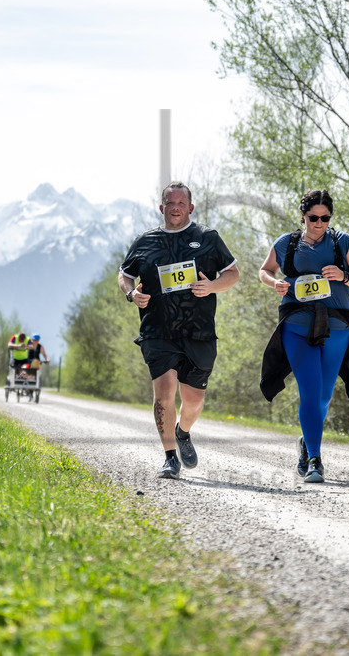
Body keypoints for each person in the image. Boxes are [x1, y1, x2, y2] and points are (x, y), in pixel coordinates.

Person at [119, 181, 240, 479]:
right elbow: (125, 275)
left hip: (199, 332)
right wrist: (131, 294)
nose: (175, 208)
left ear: (190, 207)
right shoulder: (145, 241)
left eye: (181, 203)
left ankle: (183, 432)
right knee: (164, 393)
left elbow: (233, 274)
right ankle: (170, 457)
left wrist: (212, 286)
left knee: (194, 401)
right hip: (157, 330)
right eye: (170, 203)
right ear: (161, 208)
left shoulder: (207, 238)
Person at [258, 189, 349, 483]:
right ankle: (315, 461)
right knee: (310, 388)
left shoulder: (343, 242)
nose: (319, 223)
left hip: (337, 324)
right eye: (313, 217)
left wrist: (344, 276)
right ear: (303, 215)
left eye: (325, 218)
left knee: (323, 395)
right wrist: (274, 283)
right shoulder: (287, 243)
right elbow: (265, 270)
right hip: (297, 323)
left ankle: (307, 440)